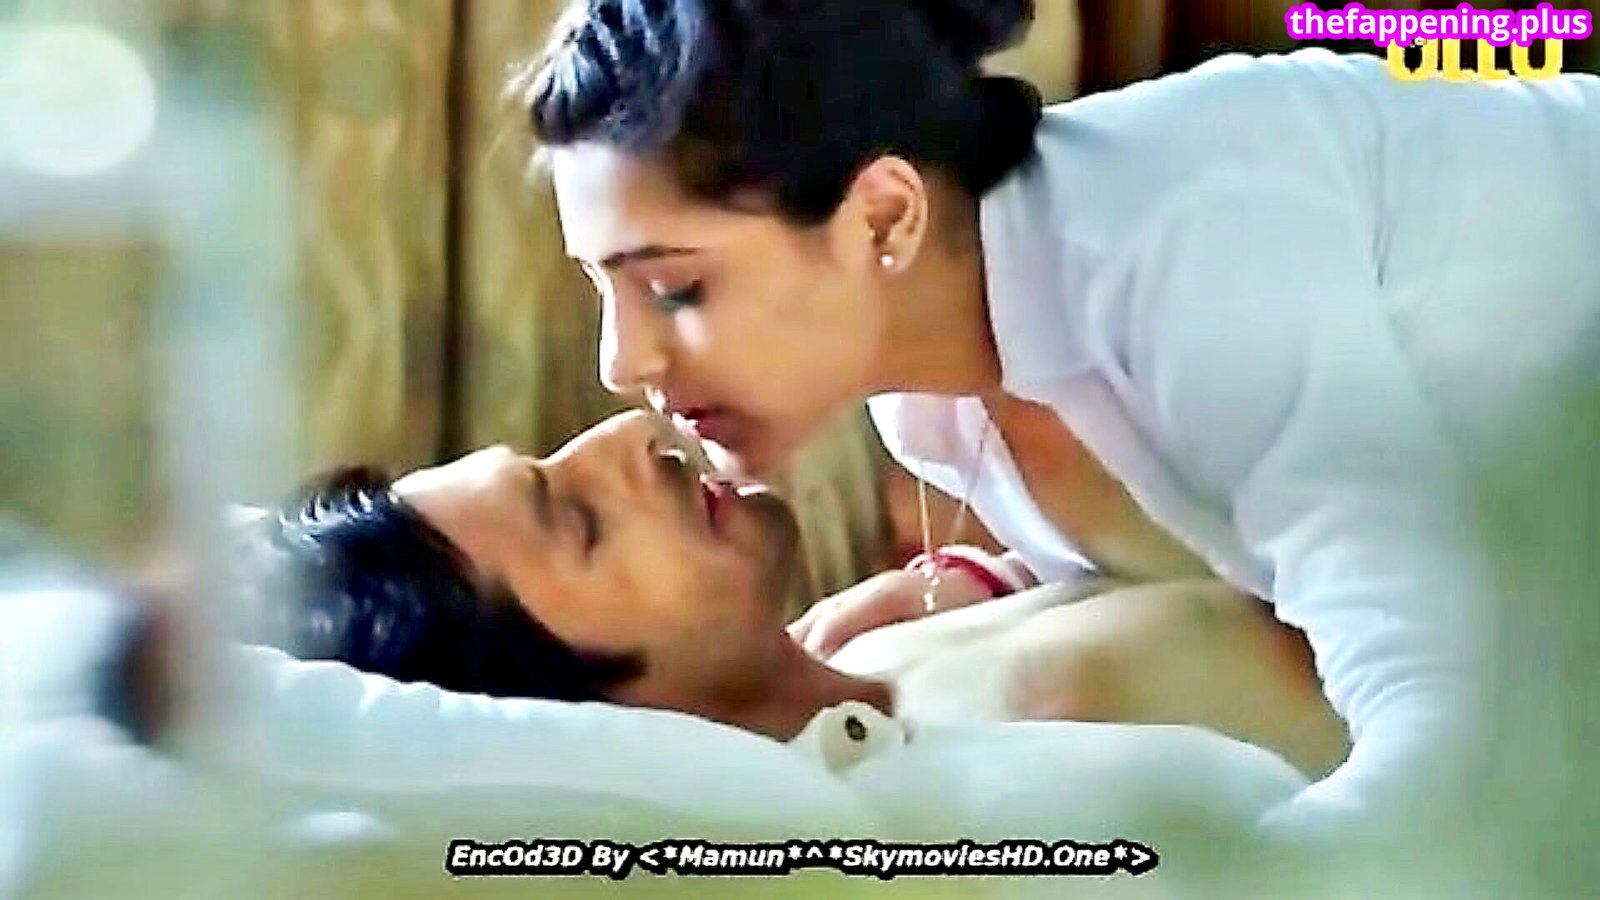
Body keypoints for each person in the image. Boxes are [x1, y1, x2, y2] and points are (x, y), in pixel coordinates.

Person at [511, 0, 1600, 839]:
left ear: (883, 217)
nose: (621, 364)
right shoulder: (925, 407)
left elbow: (1452, 716)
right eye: (602, 289)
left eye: (675, 287)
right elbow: (1250, 529)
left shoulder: (1190, 249)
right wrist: (997, 584)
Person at [233, 410, 1348, 777]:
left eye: (552, 459)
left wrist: (992, 577)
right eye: (581, 522)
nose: (623, 435)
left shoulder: (862, 659)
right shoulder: (1039, 728)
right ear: (577, 717)